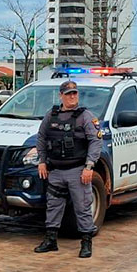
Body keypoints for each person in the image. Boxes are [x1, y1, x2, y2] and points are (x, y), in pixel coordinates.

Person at [34, 80, 103, 258]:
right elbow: (41, 137)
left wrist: (89, 166)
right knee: (53, 206)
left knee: (82, 207)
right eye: (68, 94)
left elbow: (95, 141)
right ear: (61, 96)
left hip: (77, 170)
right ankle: (51, 240)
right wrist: (42, 161)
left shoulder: (85, 116)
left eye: (75, 93)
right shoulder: (52, 115)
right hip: (55, 170)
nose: (72, 97)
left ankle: (86, 243)